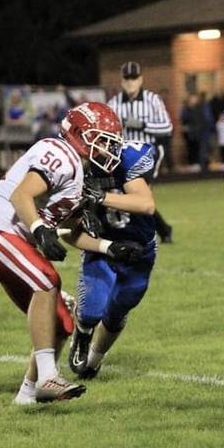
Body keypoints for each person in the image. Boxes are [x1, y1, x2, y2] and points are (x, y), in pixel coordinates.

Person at [0, 102, 145, 404]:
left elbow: (71, 233)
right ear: (80, 134)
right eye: (103, 141)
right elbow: (21, 195)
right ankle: (48, 377)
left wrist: (108, 247)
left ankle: (26, 397)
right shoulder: (60, 153)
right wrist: (39, 229)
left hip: (14, 242)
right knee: (48, 281)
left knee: (61, 323)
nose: (108, 150)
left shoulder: (79, 177)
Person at [67, 140, 157, 380]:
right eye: (99, 141)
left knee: (119, 309)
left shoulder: (129, 158)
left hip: (139, 248)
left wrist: (100, 197)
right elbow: (68, 231)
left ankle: (94, 361)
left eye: (109, 139)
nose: (106, 146)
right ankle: (82, 331)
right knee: (91, 310)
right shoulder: (72, 168)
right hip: (101, 247)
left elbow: (146, 204)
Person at [108, 61, 174, 243]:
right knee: (133, 197)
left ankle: (143, 235)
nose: (131, 82)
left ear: (141, 79)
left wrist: (142, 125)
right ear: (122, 81)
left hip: (148, 154)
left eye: (134, 78)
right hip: (124, 157)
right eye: (127, 78)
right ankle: (163, 230)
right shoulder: (113, 103)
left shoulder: (153, 100)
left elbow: (167, 127)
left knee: (138, 196)